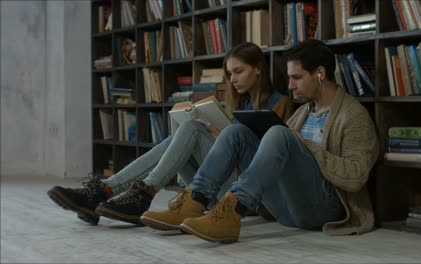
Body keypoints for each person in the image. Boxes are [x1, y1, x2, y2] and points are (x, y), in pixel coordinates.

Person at [140, 39, 379, 243]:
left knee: (278, 132)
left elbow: (356, 176)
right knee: (237, 132)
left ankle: (232, 211)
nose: (290, 85)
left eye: (296, 77)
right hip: (285, 208)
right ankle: (194, 201)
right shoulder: (304, 112)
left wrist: (307, 147)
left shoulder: (353, 115)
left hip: (323, 211)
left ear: (320, 74)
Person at [47, 42, 295, 225]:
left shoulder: (281, 104)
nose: (232, 80)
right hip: (218, 183)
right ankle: (106, 191)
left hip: (249, 196)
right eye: (229, 73)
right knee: (178, 136)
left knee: (191, 130)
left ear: (258, 69)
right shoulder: (237, 105)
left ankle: (130, 193)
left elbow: (274, 160)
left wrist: (226, 141)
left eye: (238, 71)